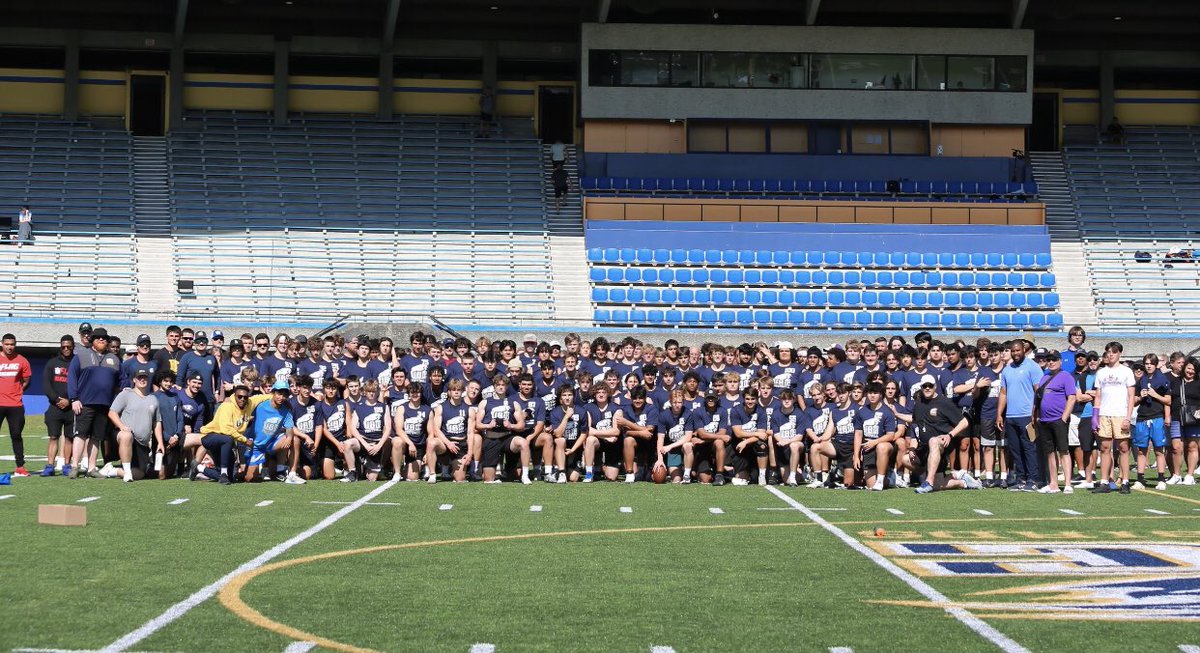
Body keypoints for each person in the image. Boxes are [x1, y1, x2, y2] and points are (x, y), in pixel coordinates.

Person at [67, 327, 121, 478]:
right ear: (92, 341)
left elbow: (122, 381)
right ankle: (74, 466)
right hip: (85, 403)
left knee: (97, 437)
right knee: (80, 435)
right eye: (98, 338)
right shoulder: (81, 355)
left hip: (104, 405)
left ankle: (91, 468)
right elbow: (72, 377)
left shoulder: (115, 359)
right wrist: (74, 399)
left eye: (104, 339)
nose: (101, 340)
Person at [910, 382, 981, 493]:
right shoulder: (919, 404)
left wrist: (950, 435)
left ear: (935, 387)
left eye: (930, 386)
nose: (927, 388)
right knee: (906, 459)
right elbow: (913, 420)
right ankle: (960, 478)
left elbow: (964, 422)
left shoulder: (944, 402)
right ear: (921, 388)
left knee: (933, 441)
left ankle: (928, 482)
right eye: (925, 386)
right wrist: (895, 413)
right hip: (925, 448)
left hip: (942, 443)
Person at [996, 340, 1042, 492]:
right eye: (1013, 351)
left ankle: (1033, 480)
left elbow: (1038, 391)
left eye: (1018, 350)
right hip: (1011, 417)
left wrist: (1035, 413)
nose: (1015, 353)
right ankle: (1021, 479)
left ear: (1023, 349)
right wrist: (999, 414)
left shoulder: (1033, 367)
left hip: (1027, 416)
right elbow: (1003, 393)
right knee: (1015, 449)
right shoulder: (1007, 370)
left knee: (1029, 448)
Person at [1092, 342, 1136, 494]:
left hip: (1121, 414)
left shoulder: (1127, 372)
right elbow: (1098, 396)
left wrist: (1128, 417)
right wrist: (1095, 416)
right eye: (1108, 352)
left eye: (1114, 352)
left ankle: (1125, 481)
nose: (1111, 354)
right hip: (1105, 413)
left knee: (1123, 448)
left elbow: (1131, 396)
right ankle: (1104, 481)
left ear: (1120, 354)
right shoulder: (1101, 373)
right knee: (1105, 448)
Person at [105, 370, 162, 482]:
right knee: (127, 436)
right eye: (139, 377)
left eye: (144, 378)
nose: (142, 380)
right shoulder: (126, 394)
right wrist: (121, 426)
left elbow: (157, 423)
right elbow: (112, 413)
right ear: (134, 380)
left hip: (142, 444)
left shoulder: (153, 399)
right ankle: (127, 473)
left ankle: (114, 471)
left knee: (139, 474)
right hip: (124, 437)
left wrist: (160, 442)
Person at [1033, 351, 1076, 494]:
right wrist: (1037, 416)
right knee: (1050, 453)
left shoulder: (1066, 377)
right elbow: (1038, 399)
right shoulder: (1044, 377)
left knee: (1063, 451)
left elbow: (1071, 398)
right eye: (1049, 360)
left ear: (1060, 361)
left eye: (1054, 359)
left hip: (1058, 420)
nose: (1051, 362)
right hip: (1044, 420)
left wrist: (1064, 418)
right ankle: (1053, 483)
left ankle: (1068, 483)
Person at [475, 374, 530, 484]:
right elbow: (477, 424)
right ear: (494, 386)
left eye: (503, 385)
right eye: (498, 385)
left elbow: (521, 425)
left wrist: (511, 425)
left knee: (523, 442)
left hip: (507, 438)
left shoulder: (513, 403)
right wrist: (488, 425)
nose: (500, 387)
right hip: (491, 438)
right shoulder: (485, 402)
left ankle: (525, 475)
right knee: (488, 480)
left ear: (507, 387)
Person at [1132, 353, 1171, 490]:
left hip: (1156, 417)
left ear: (1156, 365)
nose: (1148, 366)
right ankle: (1140, 479)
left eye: (1151, 363)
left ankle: (1161, 478)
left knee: (1159, 449)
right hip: (1142, 417)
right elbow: (1134, 401)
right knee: (1142, 449)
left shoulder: (1162, 379)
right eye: (1146, 364)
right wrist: (1140, 397)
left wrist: (1156, 395)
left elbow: (1168, 400)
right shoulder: (1141, 380)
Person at [41, 335, 76, 476]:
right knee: (53, 437)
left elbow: (81, 384)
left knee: (69, 438)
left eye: (69, 346)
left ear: (73, 346)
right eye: (63, 346)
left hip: (71, 407)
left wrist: (69, 400)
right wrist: (57, 399)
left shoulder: (77, 363)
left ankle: (67, 465)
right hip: (55, 407)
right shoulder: (52, 363)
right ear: (60, 347)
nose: (66, 349)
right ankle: (50, 465)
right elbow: (46, 384)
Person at [429, 378, 473, 483]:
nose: (456, 392)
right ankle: (432, 474)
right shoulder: (441, 407)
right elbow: (436, 429)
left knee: (460, 479)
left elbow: (470, 433)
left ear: (463, 392)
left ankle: (450, 468)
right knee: (431, 442)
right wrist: (448, 443)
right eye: (453, 389)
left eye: (459, 389)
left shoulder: (469, 409)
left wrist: (470, 452)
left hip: (460, 444)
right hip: (445, 442)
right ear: (449, 392)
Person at [0, 333, 32, 476]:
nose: (9, 347)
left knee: (16, 435)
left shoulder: (22, 360)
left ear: (15, 344)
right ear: (2, 344)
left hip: (15, 405)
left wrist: (18, 391)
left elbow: (26, 380)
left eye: (12, 344)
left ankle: (20, 467)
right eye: (7, 344)